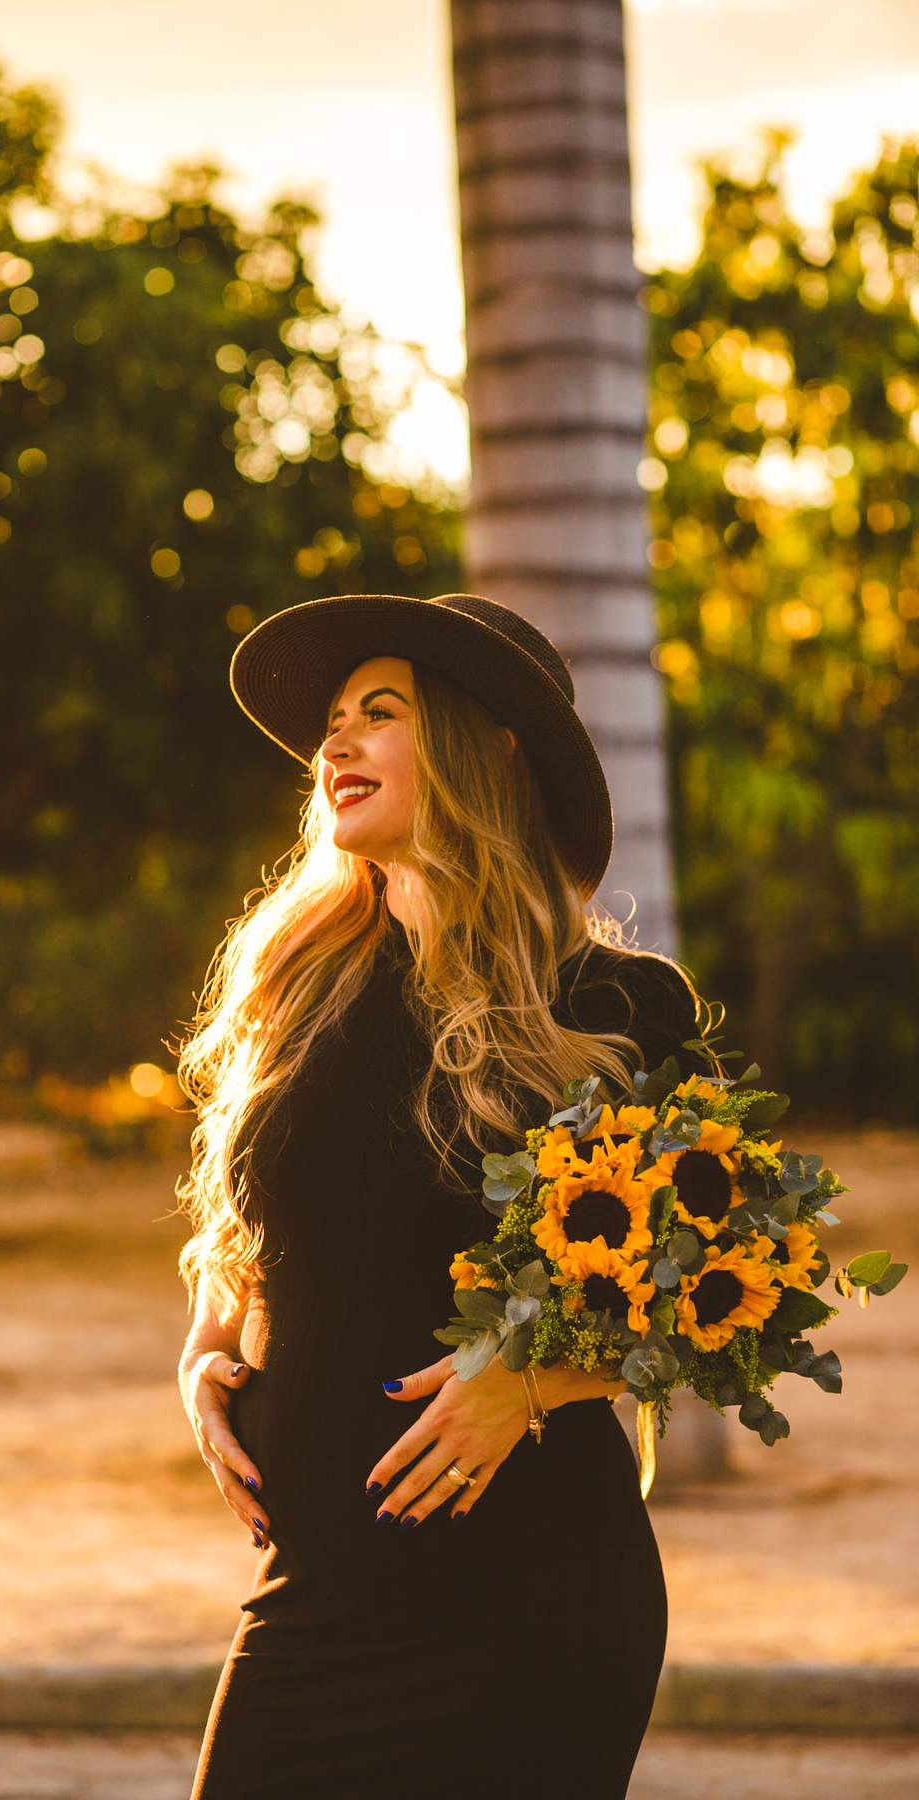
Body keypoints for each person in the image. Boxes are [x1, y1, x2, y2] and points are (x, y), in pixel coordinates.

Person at [177, 594, 704, 1800]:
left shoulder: (617, 1012)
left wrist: (532, 1383)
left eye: (380, 713)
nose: (335, 743)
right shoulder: (297, 988)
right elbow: (251, 1224)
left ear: (482, 745)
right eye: (332, 721)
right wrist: (205, 1348)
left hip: (528, 1610)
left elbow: (722, 1305)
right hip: (310, 1599)